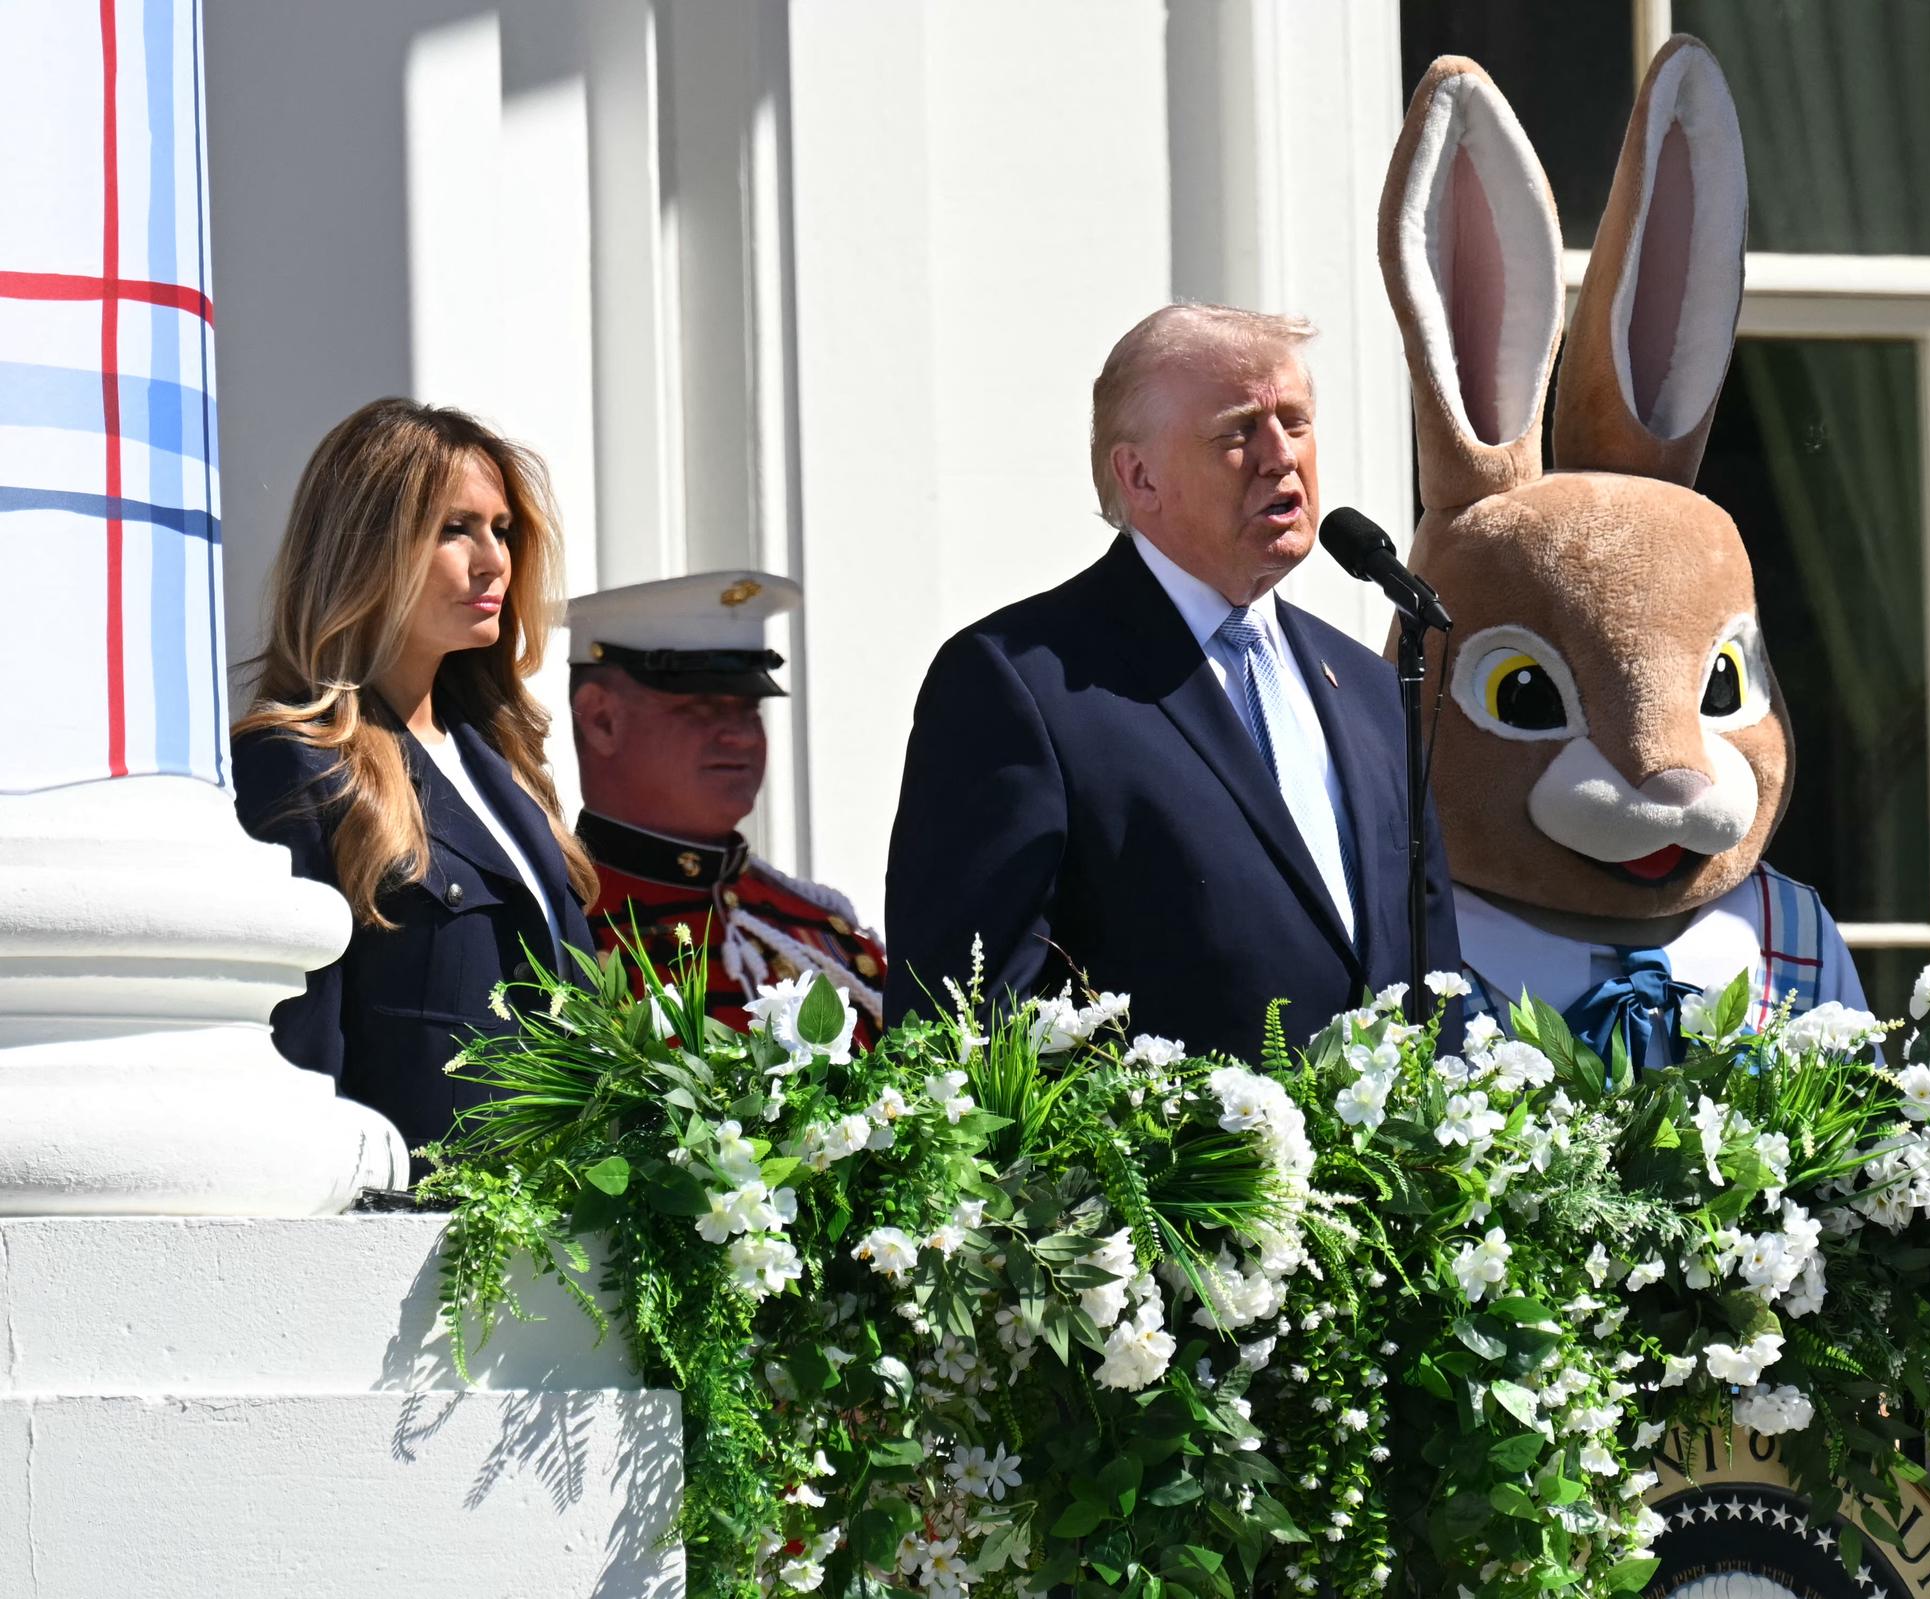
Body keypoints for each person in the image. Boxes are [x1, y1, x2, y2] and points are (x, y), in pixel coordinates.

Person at [884, 303, 1461, 1058]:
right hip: (1159, 1173)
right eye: (1237, 430)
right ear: (1139, 475)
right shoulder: (1023, 684)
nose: (1280, 456)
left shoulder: (1369, 685)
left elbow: (1432, 975)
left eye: (1296, 421)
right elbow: (965, 1021)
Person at [232, 398, 598, 1169]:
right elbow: (300, 1052)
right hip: (409, 1243)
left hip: (556, 1239)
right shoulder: (296, 764)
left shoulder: (505, 761)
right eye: (453, 529)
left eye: (501, 529)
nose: (493, 559)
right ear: (366, 547)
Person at [568, 571, 886, 1046]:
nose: (739, 735)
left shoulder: (821, 935)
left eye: (748, 709)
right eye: (700, 707)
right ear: (602, 720)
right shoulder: (557, 932)